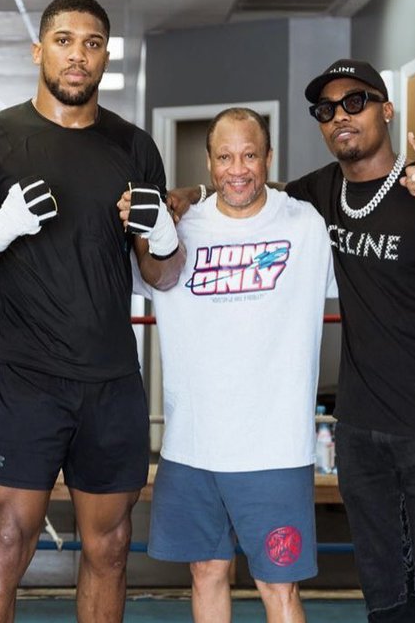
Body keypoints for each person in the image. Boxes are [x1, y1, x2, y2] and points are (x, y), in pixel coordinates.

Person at [0, 0, 184, 623]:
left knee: (109, 548)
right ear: (39, 49)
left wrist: (162, 238)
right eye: (64, 40)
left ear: (105, 54)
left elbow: (161, 275)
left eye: (92, 43)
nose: (77, 55)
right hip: (27, 378)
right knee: (5, 544)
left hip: (111, 380)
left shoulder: (135, 148)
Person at [121, 108, 335, 623]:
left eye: (249, 156)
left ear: (268, 158)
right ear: (209, 161)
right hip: (193, 446)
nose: (237, 170)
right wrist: (161, 209)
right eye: (224, 157)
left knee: (278, 589)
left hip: (274, 449)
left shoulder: (305, 224)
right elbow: (118, 274)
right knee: (206, 574)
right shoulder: (177, 227)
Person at [282, 59, 415, 623]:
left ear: (387, 110)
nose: (341, 115)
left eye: (356, 102)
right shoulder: (319, 191)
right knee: (386, 599)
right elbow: (247, 194)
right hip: (361, 431)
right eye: (326, 109)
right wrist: (188, 195)